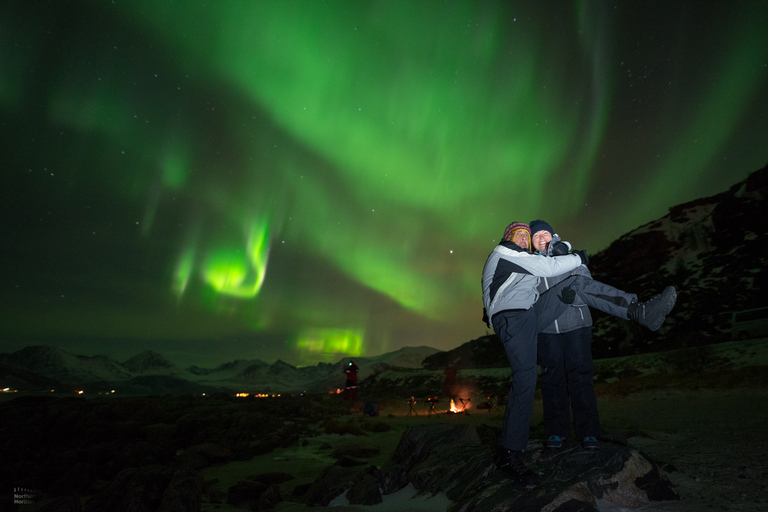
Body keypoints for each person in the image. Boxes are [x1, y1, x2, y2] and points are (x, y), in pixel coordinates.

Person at [481, 221, 676, 486]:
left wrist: (565, 253)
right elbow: (544, 269)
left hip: (534, 313)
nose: (525, 239)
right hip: (516, 318)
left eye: (529, 236)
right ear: (507, 236)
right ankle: (511, 454)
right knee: (527, 380)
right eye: (522, 234)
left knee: (578, 284)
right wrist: (578, 255)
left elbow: (560, 276)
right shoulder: (506, 252)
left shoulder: (526, 258)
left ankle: (638, 310)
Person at [530, 219, 600, 451]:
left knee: (580, 378)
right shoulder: (529, 265)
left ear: (553, 236)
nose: (541, 238)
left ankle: (589, 432)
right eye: (536, 236)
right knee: (552, 381)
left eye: (544, 234)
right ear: (531, 241)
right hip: (547, 331)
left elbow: (588, 287)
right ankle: (556, 432)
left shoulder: (570, 257)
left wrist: (574, 298)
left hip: (577, 326)